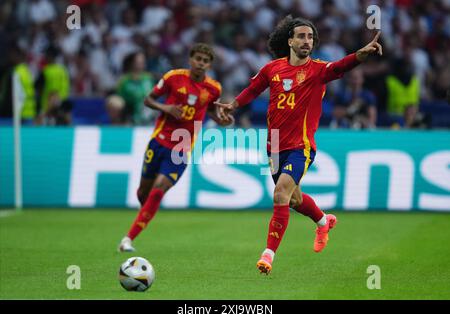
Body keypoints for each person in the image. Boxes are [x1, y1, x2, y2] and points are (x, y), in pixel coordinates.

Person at [215, 16, 383, 274]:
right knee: (293, 199)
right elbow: (252, 89)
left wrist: (361, 53)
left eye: (311, 37)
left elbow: (341, 66)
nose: (307, 41)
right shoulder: (272, 69)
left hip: (300, 146)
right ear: (290, 40)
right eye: (302, 36)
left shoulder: (318, 71)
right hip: (273, 146)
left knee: (281, 193)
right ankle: (323, 220)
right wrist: (232, 106)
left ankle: (268, 255)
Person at [118, 43, 233, 252]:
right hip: (159, 141)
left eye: (205, 61)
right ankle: (144, 214)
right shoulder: (173, 77)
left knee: (159, 187)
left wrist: (221, 121)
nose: (201, 63)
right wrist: (166, 108)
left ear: (210, 65)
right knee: (144, 193)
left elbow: (208, 110)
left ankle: (128, 239)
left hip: (181, 148)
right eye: (198, 59)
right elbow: (148, 99)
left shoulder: (214, 88)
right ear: (190, 59)